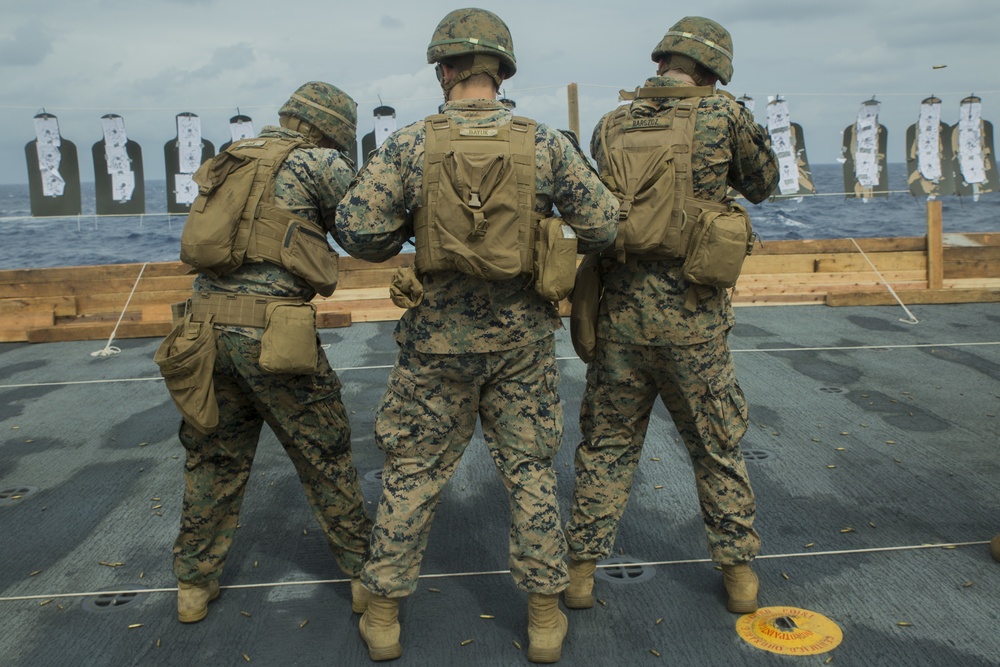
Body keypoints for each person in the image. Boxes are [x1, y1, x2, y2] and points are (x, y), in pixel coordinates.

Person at [335, 8, 619, 662]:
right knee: (529, 473)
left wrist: (414, 224)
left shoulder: (410, 144)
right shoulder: (544, 142)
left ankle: (382, 614)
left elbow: (356, 230)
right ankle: (545, 616)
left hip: (434, 345)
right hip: (521, 345)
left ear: (444, 70)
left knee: (412, 469)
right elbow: (604, 223)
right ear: (502, 69)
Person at [563, 17, 779, 615]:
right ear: (714, 71)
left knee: (606, 446)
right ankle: (738, 575)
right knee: (715, 447)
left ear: (663, 61)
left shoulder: (611, 123)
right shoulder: (725, 115)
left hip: (620, 320)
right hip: (694, 321)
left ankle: (580, 573)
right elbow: (763, 184)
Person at [164, 82, 373, 624]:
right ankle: (364, 580)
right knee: (324, 456)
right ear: (334, 132)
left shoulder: (229, 159)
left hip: (204, 329)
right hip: (270, 334)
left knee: (213, 458)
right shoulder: (320, 164)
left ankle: (192, 585)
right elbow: (365, 233)